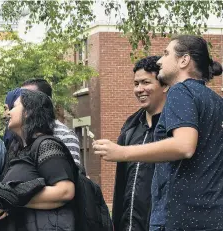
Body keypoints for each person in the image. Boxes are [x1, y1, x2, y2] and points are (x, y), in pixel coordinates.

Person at [94, 35, 223, 230]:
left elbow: (184, 146)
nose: (160, 61)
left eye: (166, 53)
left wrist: (121, 152)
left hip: (181, 220)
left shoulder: (180, 91)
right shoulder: (215, 100)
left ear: (184, 60)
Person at [0, 90, 77, 231]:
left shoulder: (46, 144)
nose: (8, 113)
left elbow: (65, 191)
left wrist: (11, 197)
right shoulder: (18, 149)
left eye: (15, 107)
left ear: (28, 112)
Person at [112, 56, 167, 231]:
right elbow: (122, 184)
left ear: (164, 85)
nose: (139, 89)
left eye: (145, 82)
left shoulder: (176, 128)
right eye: (136, 84)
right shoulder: (130, 127)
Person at [21, 78, 82, 167]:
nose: (23, 102)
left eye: (29, 97)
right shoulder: (20, 134)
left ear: (46, 101)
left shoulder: (65, 135)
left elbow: (75, 175)